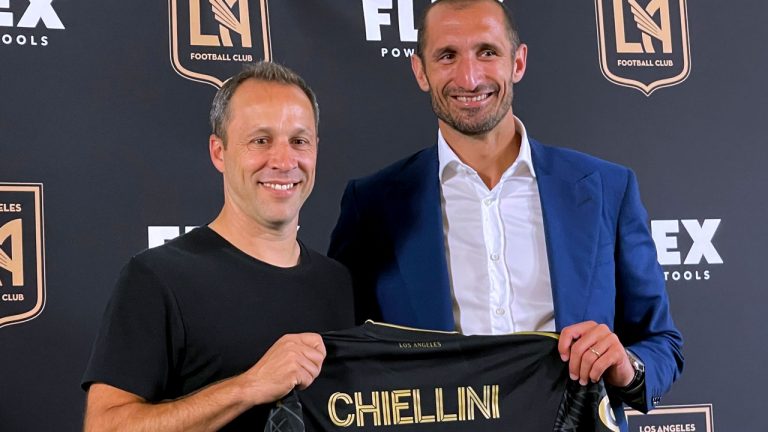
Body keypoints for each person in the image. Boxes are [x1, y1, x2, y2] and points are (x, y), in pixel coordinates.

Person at [328, 0, 683, 429]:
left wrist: (626, 365)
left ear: (518, 62)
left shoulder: (608, 189)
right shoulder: (373, 206)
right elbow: (344, 358)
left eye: (487, 52)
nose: (469, 77)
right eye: (447, 56)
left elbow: (662, 343)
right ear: (420, 71)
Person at [82, 62, 354, 431]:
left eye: (299, 141)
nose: (284, 161)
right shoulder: (157, 278)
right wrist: (248, 387)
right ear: (219, 152)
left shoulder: (337, 283)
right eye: (261, 140)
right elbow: (105, 427)